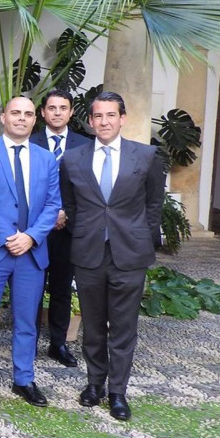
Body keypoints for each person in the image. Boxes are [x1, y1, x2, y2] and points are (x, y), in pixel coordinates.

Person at [61, 91, 164, 421]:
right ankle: (94, 385)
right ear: (89, 122)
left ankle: (118, 392)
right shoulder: (73, 159)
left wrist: (141, 241)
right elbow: (72, 206)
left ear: (123, 118)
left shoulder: (145, 157)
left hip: (130, 255)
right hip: (89, 253)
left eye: (111, 115)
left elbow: (153, 206)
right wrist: (86, 233)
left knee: (123, 327)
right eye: (98, 116)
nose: (104, 122)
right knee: (92, 326)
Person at [0, 97, 61, 407]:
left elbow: (52, 205)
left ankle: (24, 379)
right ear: (3, 116)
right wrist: (9, 236)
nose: (21, 118)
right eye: (15, 113)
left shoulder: (47, 159)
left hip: (31, 253)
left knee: (27, 320)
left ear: (36, 120)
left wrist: (30, 237)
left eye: (28, 114)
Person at [32, 89, 91, 367]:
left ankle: (58, 343)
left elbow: (87, 187)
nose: (57, 112)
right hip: (34, 229)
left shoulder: (84, 145)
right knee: (31, 287)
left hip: (68, 228)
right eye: (51, 108)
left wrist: (66, 212)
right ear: (42, 113)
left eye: (63, 108)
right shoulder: (29, 142)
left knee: (61, 288)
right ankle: (27, 341)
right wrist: (46, 215)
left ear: (71, 112)